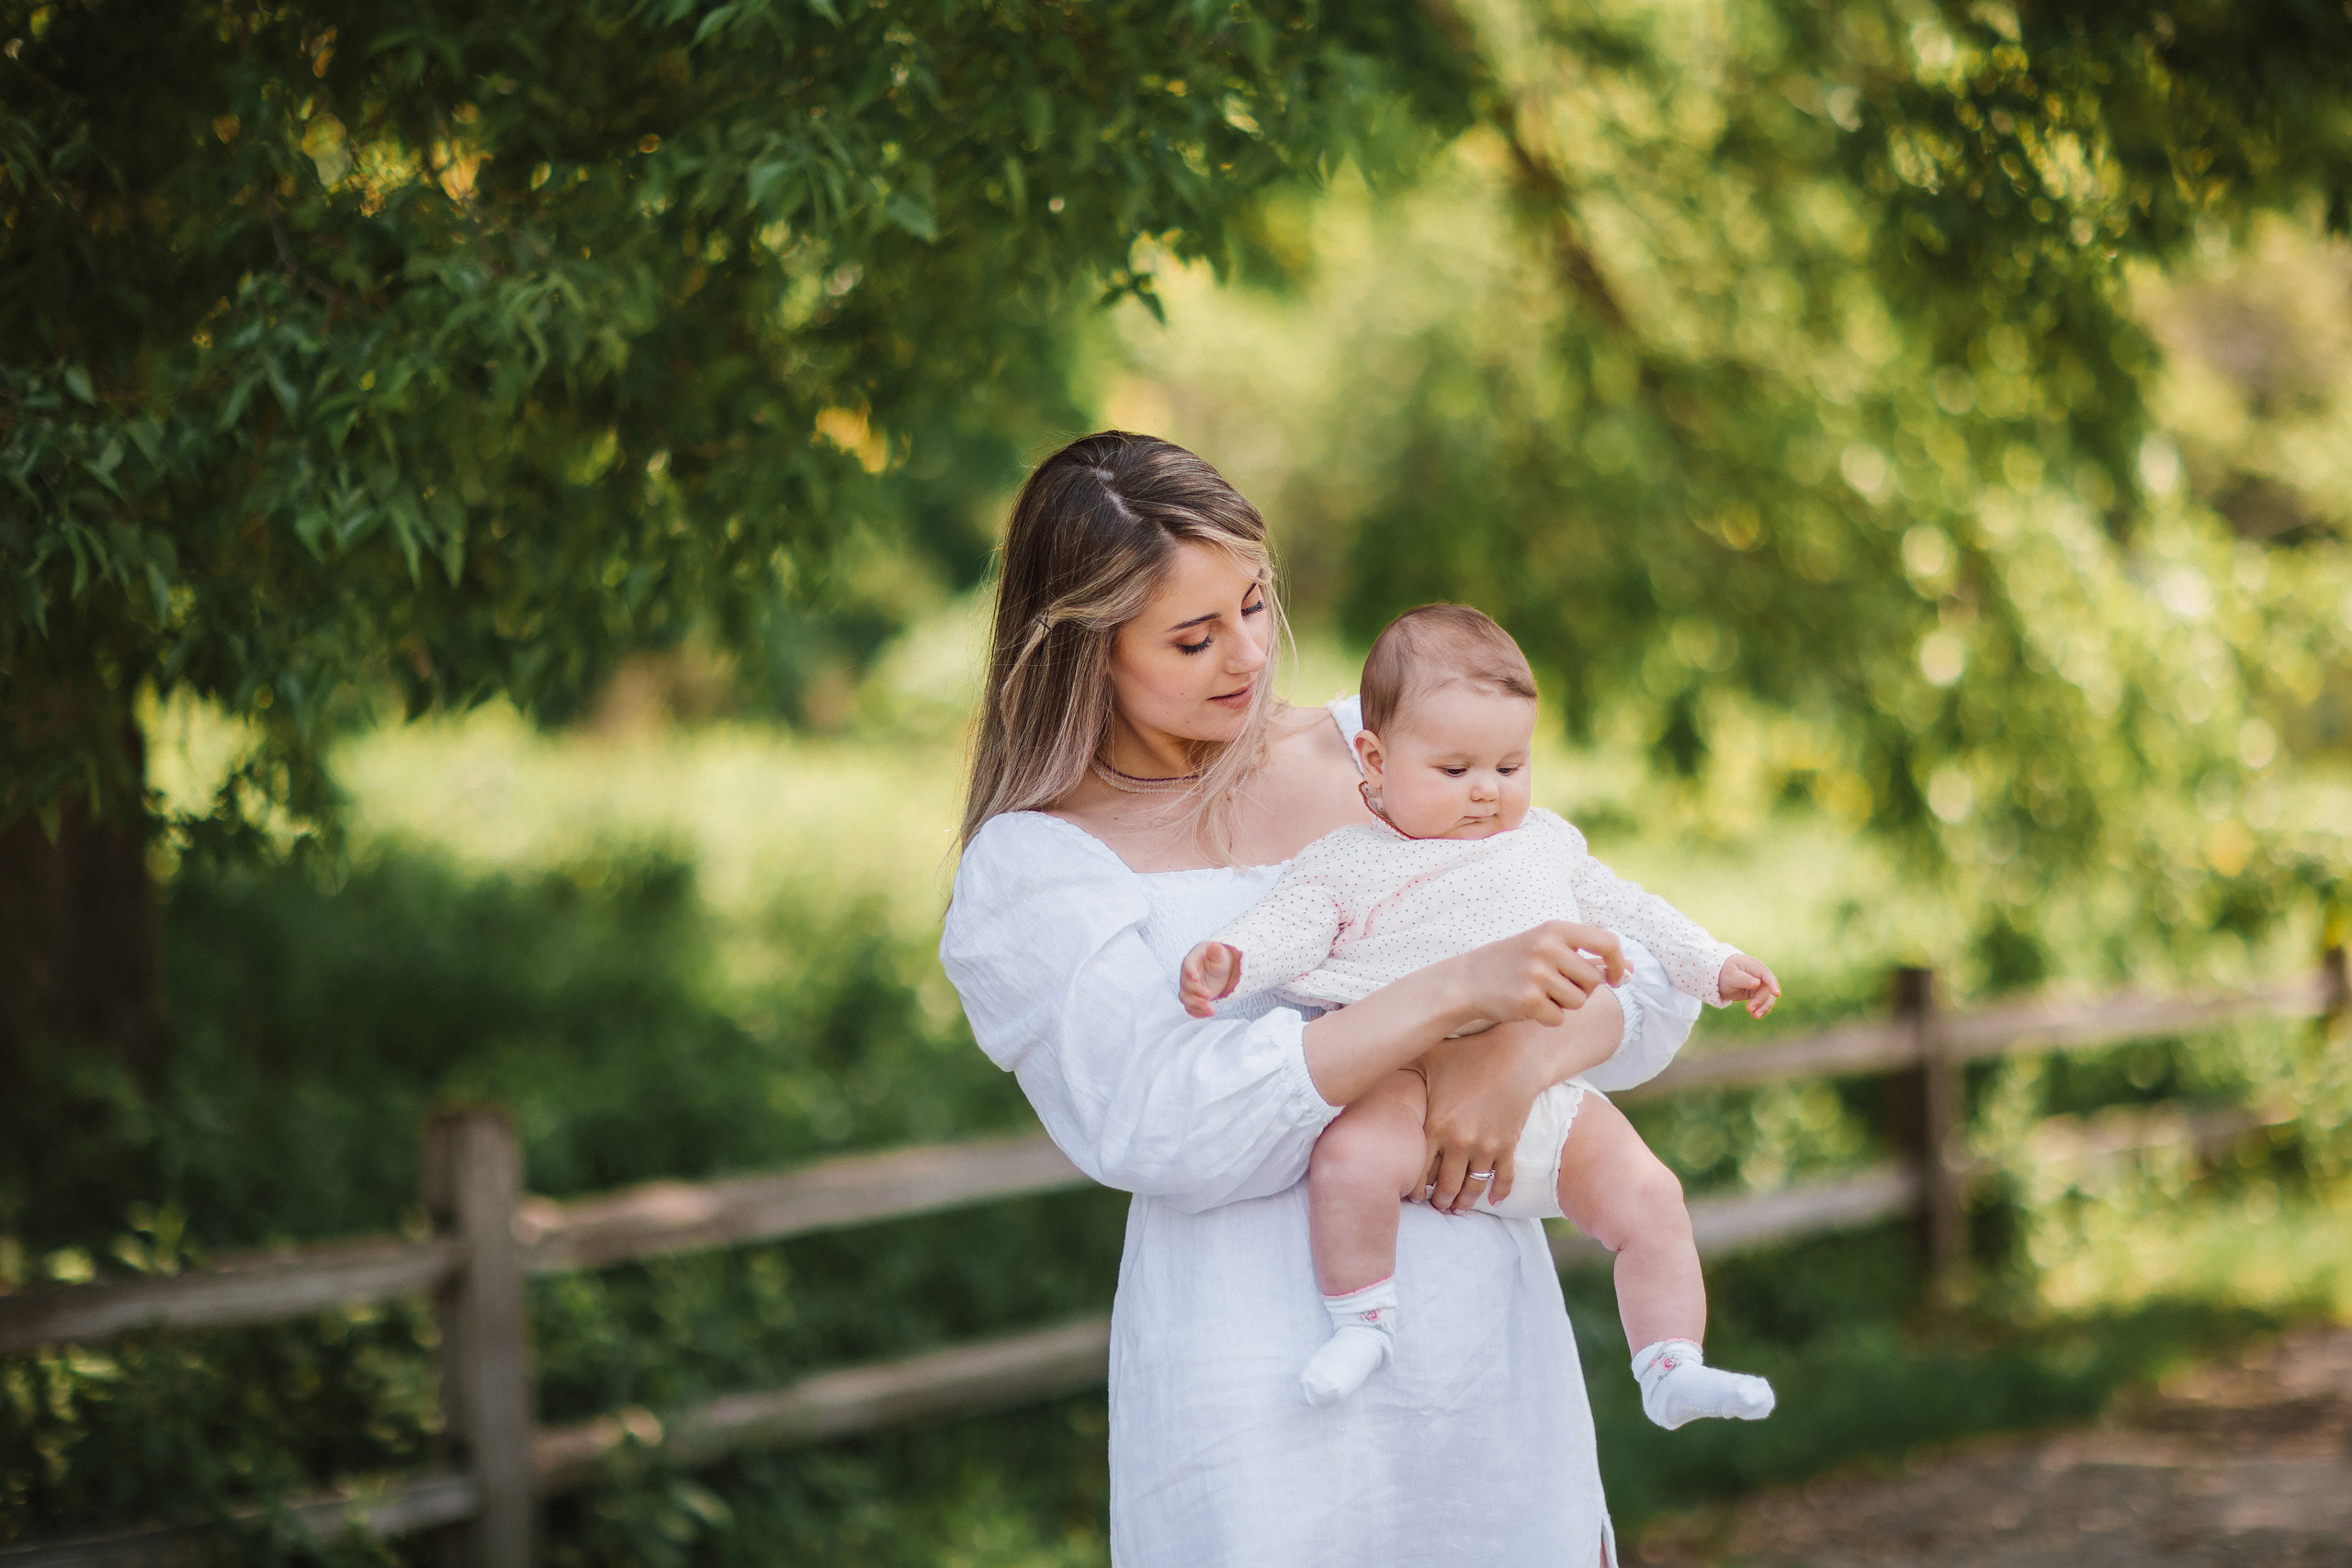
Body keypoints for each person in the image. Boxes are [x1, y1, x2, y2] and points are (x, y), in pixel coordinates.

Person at [939, 432, 1702, 1566]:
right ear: (1083, 651)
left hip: (1484, 1360)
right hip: (1252, 1387)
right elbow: (1166, 1126)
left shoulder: (1382, 751)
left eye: (1252, 604)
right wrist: (1449, 999)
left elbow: (1639, 977)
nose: (1244, 654)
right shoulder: (1039, 866)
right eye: (1191, 637)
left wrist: (1517, 1062)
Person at [1179, 604, 1781, 1425]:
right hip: (1407, 1077)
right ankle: (1364, 1321)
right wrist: (1235, 956)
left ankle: (1671, 1363)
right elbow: (1296, 922)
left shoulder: (1544, 841)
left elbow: (1630, 909)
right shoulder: (1352, 860)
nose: (1488, 791)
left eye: (1510, 764)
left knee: (1652, 1194)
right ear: (1376, 760)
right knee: (1351, 1163)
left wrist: (1713, 964)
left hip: (1545, 1084)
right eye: (1455, 769)